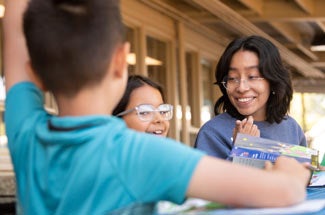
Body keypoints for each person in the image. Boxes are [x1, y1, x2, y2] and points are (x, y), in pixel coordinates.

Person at [4, 0, 310, 214]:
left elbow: (15, 35)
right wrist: (291, 172)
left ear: (35, 73)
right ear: (121, 60)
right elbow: (285, 192)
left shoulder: (25, 133)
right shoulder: (142, 155)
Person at [195, 35, 307, 160]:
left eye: (252, 76)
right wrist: (244, 149)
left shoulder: (291, 128)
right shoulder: (212, 133)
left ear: (273, 80)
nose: (241, 88)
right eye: (232, 78)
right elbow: (210, 180)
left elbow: (304, 176)